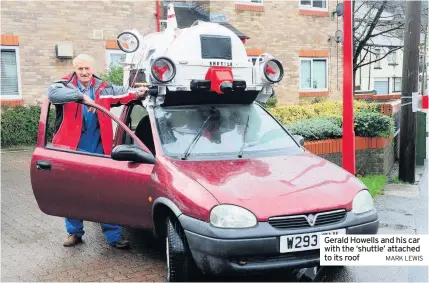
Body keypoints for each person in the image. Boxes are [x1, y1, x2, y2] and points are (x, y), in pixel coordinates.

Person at [46, 54, 148, 248]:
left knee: (105, 190)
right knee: (72, 192)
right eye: (80, 69)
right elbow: (52, 94)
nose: (84, 72)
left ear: (92, 69)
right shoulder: (64, 85)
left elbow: (122, 93)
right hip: (71, 148)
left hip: (99, 145)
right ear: (74, 70)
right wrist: (81, 96)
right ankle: (74, 233)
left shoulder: (103, 88)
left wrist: (139, 93)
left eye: (87, 69)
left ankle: (114, 235)